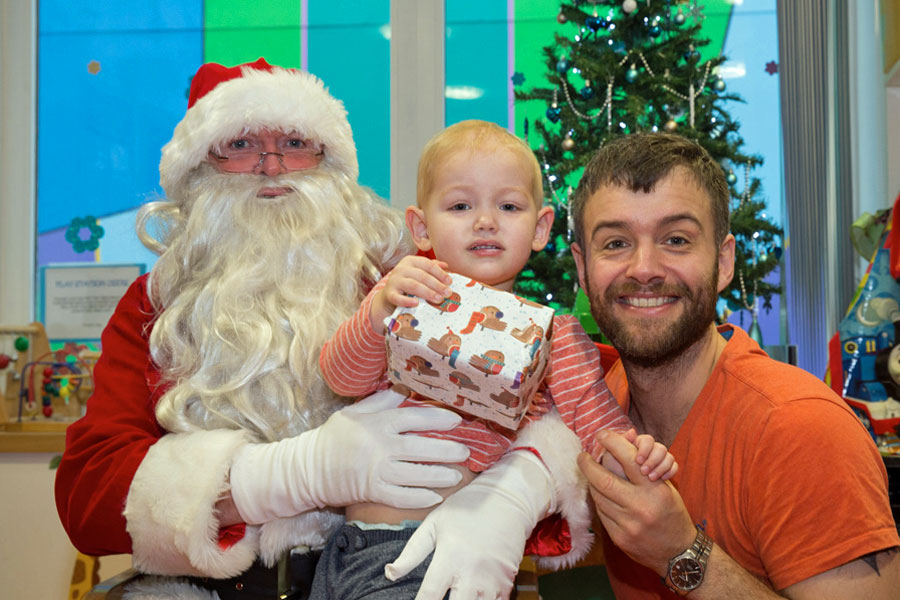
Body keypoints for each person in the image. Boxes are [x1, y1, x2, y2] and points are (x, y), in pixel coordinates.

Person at [53, 60, 585, 600]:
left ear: (329, 160)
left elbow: (574, 379)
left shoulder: (400, 283)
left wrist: (515, 492)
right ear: (199, 169)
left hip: (396, 570)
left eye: (294, 142)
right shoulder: (159, 306)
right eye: (240, 144)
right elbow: (88, 495)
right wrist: (292, 474)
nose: (271, 166)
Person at [312, 120, 677, 600]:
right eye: (461, 206)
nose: (485, 221)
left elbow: (598, 429)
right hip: (341, 550)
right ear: (420, 226)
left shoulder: (555, 336)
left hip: (439, 558)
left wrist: (638, 454)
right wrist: (378, 312)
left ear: (540, 228)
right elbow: (340, 378)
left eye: (508, 206)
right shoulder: (404, 295)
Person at [570, 132, 900, 599]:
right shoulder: (594, 404)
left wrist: (681, 552)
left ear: (723, 262)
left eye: (676, 240)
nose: (643, 268)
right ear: (583, 268)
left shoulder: (801, 429)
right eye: (616, 242)